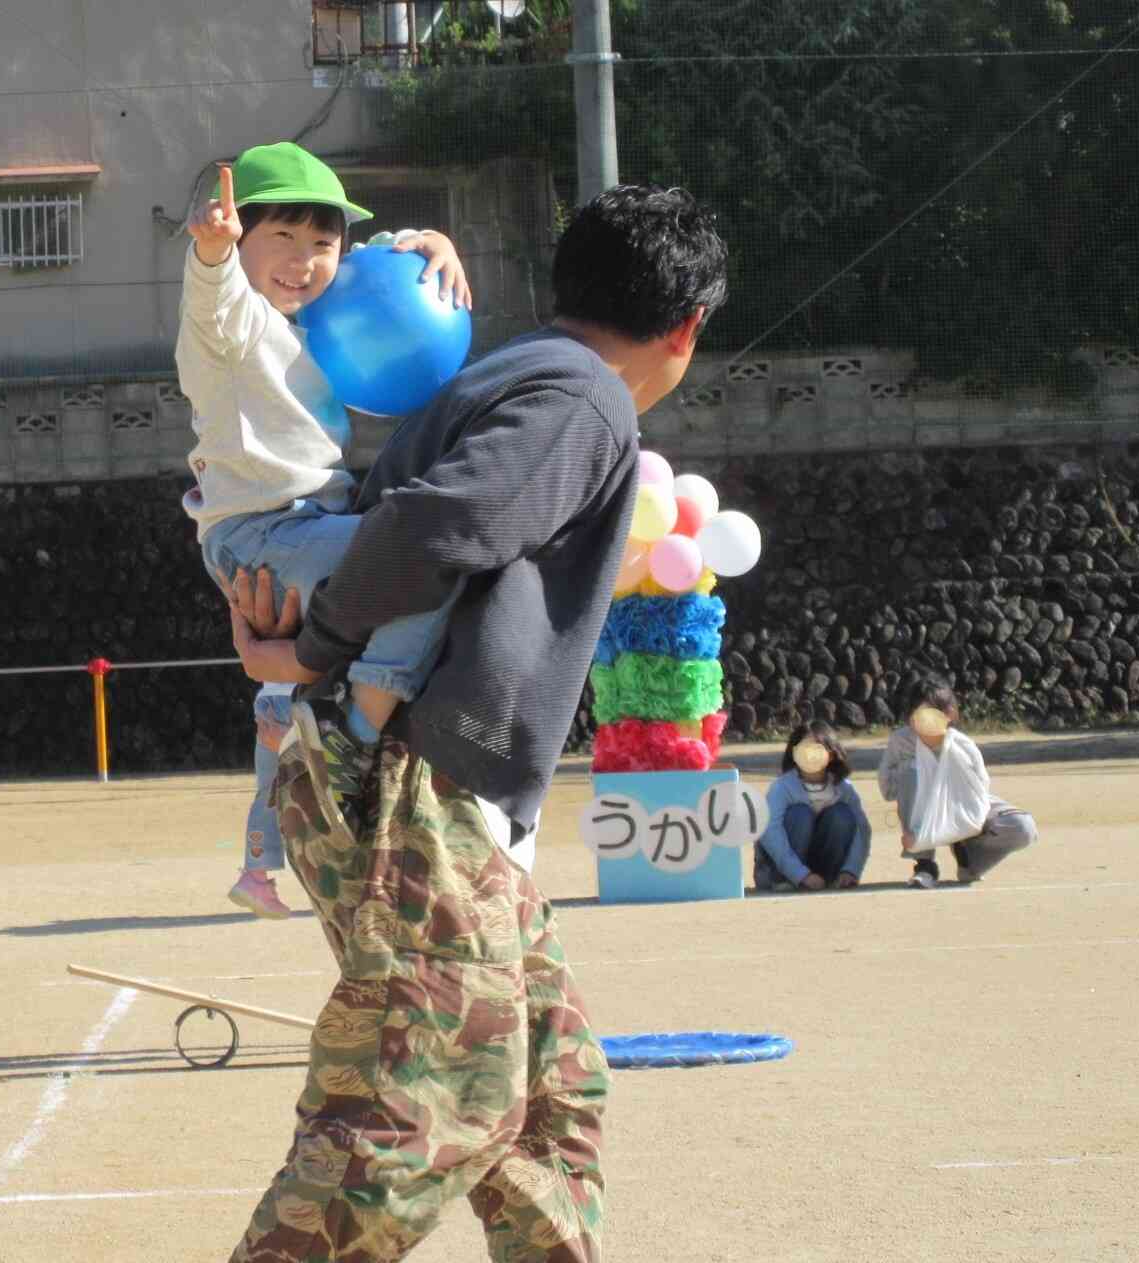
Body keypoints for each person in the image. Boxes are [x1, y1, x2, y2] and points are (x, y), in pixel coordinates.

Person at [222, 184, 728, 1262]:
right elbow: (437, 523)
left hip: (421, 780)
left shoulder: (515, 371)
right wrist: (314, 652)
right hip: (417, 782)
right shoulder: (585, 400)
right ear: (684, 330)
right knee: (424, 1106)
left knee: (556, 1085)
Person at [176, 140, 471, 919]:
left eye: (321, 242)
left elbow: (376, 262)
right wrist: (212, 255)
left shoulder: (318, 311)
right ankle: (358, 730)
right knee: (421, 559)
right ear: (243, 240)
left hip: (303, 525)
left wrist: (428, 244)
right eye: (282, 239)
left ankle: (259, 858)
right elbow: (211, 297)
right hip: (263, 533)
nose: (304, 261)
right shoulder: (233, 326)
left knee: (285, 689)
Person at [879, 679, 1037, 889]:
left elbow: (980, 789)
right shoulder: (902, 741)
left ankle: (969, 860)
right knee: (910, 772)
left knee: (1023, 828)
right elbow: (889, 788)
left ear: (950, 714)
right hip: (922, 813)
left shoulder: (962, 745)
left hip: (964, 805)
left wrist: (962, 822)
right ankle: (925, 864)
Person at [752, 721, 871, 891]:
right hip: (781, 871)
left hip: (821, 869)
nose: (810, 755)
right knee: (800, 814)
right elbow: (770, 832)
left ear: (831, 754)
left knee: (842, 815)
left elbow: (861, 830)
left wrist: (850, 870)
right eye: (804, 749)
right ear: (794, 753)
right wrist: (800, 874)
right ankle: (783, 879)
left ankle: (828, 877)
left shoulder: (844, 788)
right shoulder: (782, 787)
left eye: (817, 749)